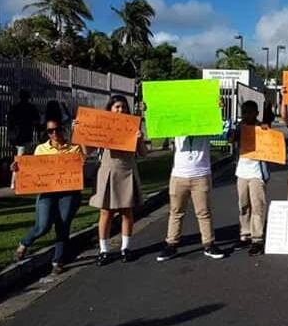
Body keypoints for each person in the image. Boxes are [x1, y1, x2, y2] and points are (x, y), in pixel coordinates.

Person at [81, 96, 147, 266]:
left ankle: (126, 248)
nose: (120, 110)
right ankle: (104, 250)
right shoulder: (102, 126)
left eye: (123, 107)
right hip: (108, 171)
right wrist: (81, 132)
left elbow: (143, 153)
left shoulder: (133, 125)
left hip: (127, 171)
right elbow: (88, 151)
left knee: (127, 212)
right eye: (117, 106)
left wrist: (139, 138)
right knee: (106, 213)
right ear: (110, 109)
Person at [156, 101, 225, 261]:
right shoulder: (177, 123)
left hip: (201, 174)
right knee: (176, 212)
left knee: (203, 212)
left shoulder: (205, 123)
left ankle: (209, 244)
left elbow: (218, 127)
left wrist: (218, 110)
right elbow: (160, 123)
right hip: (179, 175)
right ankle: (171, 244)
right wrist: (149, 110)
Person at [13, 119, 83, 275]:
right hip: (47, 192)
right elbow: (32, 170)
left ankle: (58, 260)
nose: (54, 133)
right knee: (43, 225)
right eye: (50, 131)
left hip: (68, 192)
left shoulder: (74, 148)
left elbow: (80, 167)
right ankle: (24, 243)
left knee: (63, 225)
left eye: (57, 129)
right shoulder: (41, 149)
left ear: (63, 130)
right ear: (47, 133)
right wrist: (19, 169)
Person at [228, 100, 271, 256]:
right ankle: (245, 234)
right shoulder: (239, 127)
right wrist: (234, 132)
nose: (247, 115)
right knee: (243, 205)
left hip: (256, 173)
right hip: (242, 172)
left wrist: (265, 130)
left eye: (250, 112)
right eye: (244, 112)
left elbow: (270, 143)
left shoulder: (262, 127)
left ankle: (257, 239)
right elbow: (229, 140)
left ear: (256, 113)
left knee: (257, 206)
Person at [7, 90, 40, 189]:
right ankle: (14, 182)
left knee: (16, 159)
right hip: (26, 137)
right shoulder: (31, 108)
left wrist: (10, 134)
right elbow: (36, 122)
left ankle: (15, 181)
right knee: (20, 160)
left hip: (15, 137)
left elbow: (9, 122)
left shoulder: (15, 108)